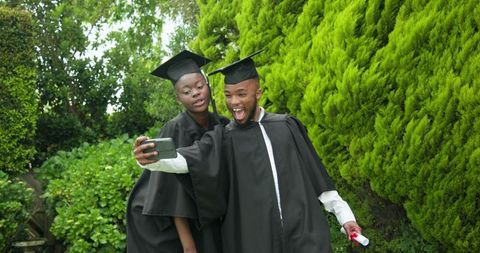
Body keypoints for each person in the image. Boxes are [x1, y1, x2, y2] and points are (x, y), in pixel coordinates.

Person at [137, 50, 363, 253]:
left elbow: (318, 180)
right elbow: (187, 159)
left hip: (305, 236)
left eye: (241, 94)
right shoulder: (225, 136)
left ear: (258, 93)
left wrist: (345, 217)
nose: (234, 102)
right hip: (256, 241)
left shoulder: (287, 126)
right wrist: (149, 158)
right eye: (228, 94)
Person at [127, 50, 227, 253]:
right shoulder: (175, 129)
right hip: (163, 219)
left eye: (200, 86)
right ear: (178, 98)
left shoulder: (221, 124)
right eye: (187, 91)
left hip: (202, 210)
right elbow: (172, 193)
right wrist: (188, 247)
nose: (196, 93)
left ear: (208, 86)